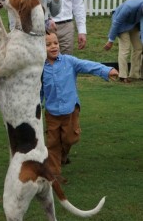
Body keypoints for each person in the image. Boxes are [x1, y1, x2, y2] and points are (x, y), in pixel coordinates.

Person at [41, 32, 119, 180]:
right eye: (48, 44)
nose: (53, 46)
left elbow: (88, 65)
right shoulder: (40, 68)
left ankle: (64, 155)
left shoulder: (69, 62)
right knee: (52, 144)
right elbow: (38, 91)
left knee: (70, 139)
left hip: (70, 111)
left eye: (56, 43)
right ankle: (55, 175)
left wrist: (107, 70)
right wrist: (36, 108)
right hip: (51, 113)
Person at [104, 0, 143, 83]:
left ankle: (134, 75)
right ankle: (123, 76)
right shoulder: (129, 7)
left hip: (134, 24)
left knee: (139, 48)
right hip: (121, 25)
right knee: (125, 49)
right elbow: (117, 22)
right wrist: (110, 40)